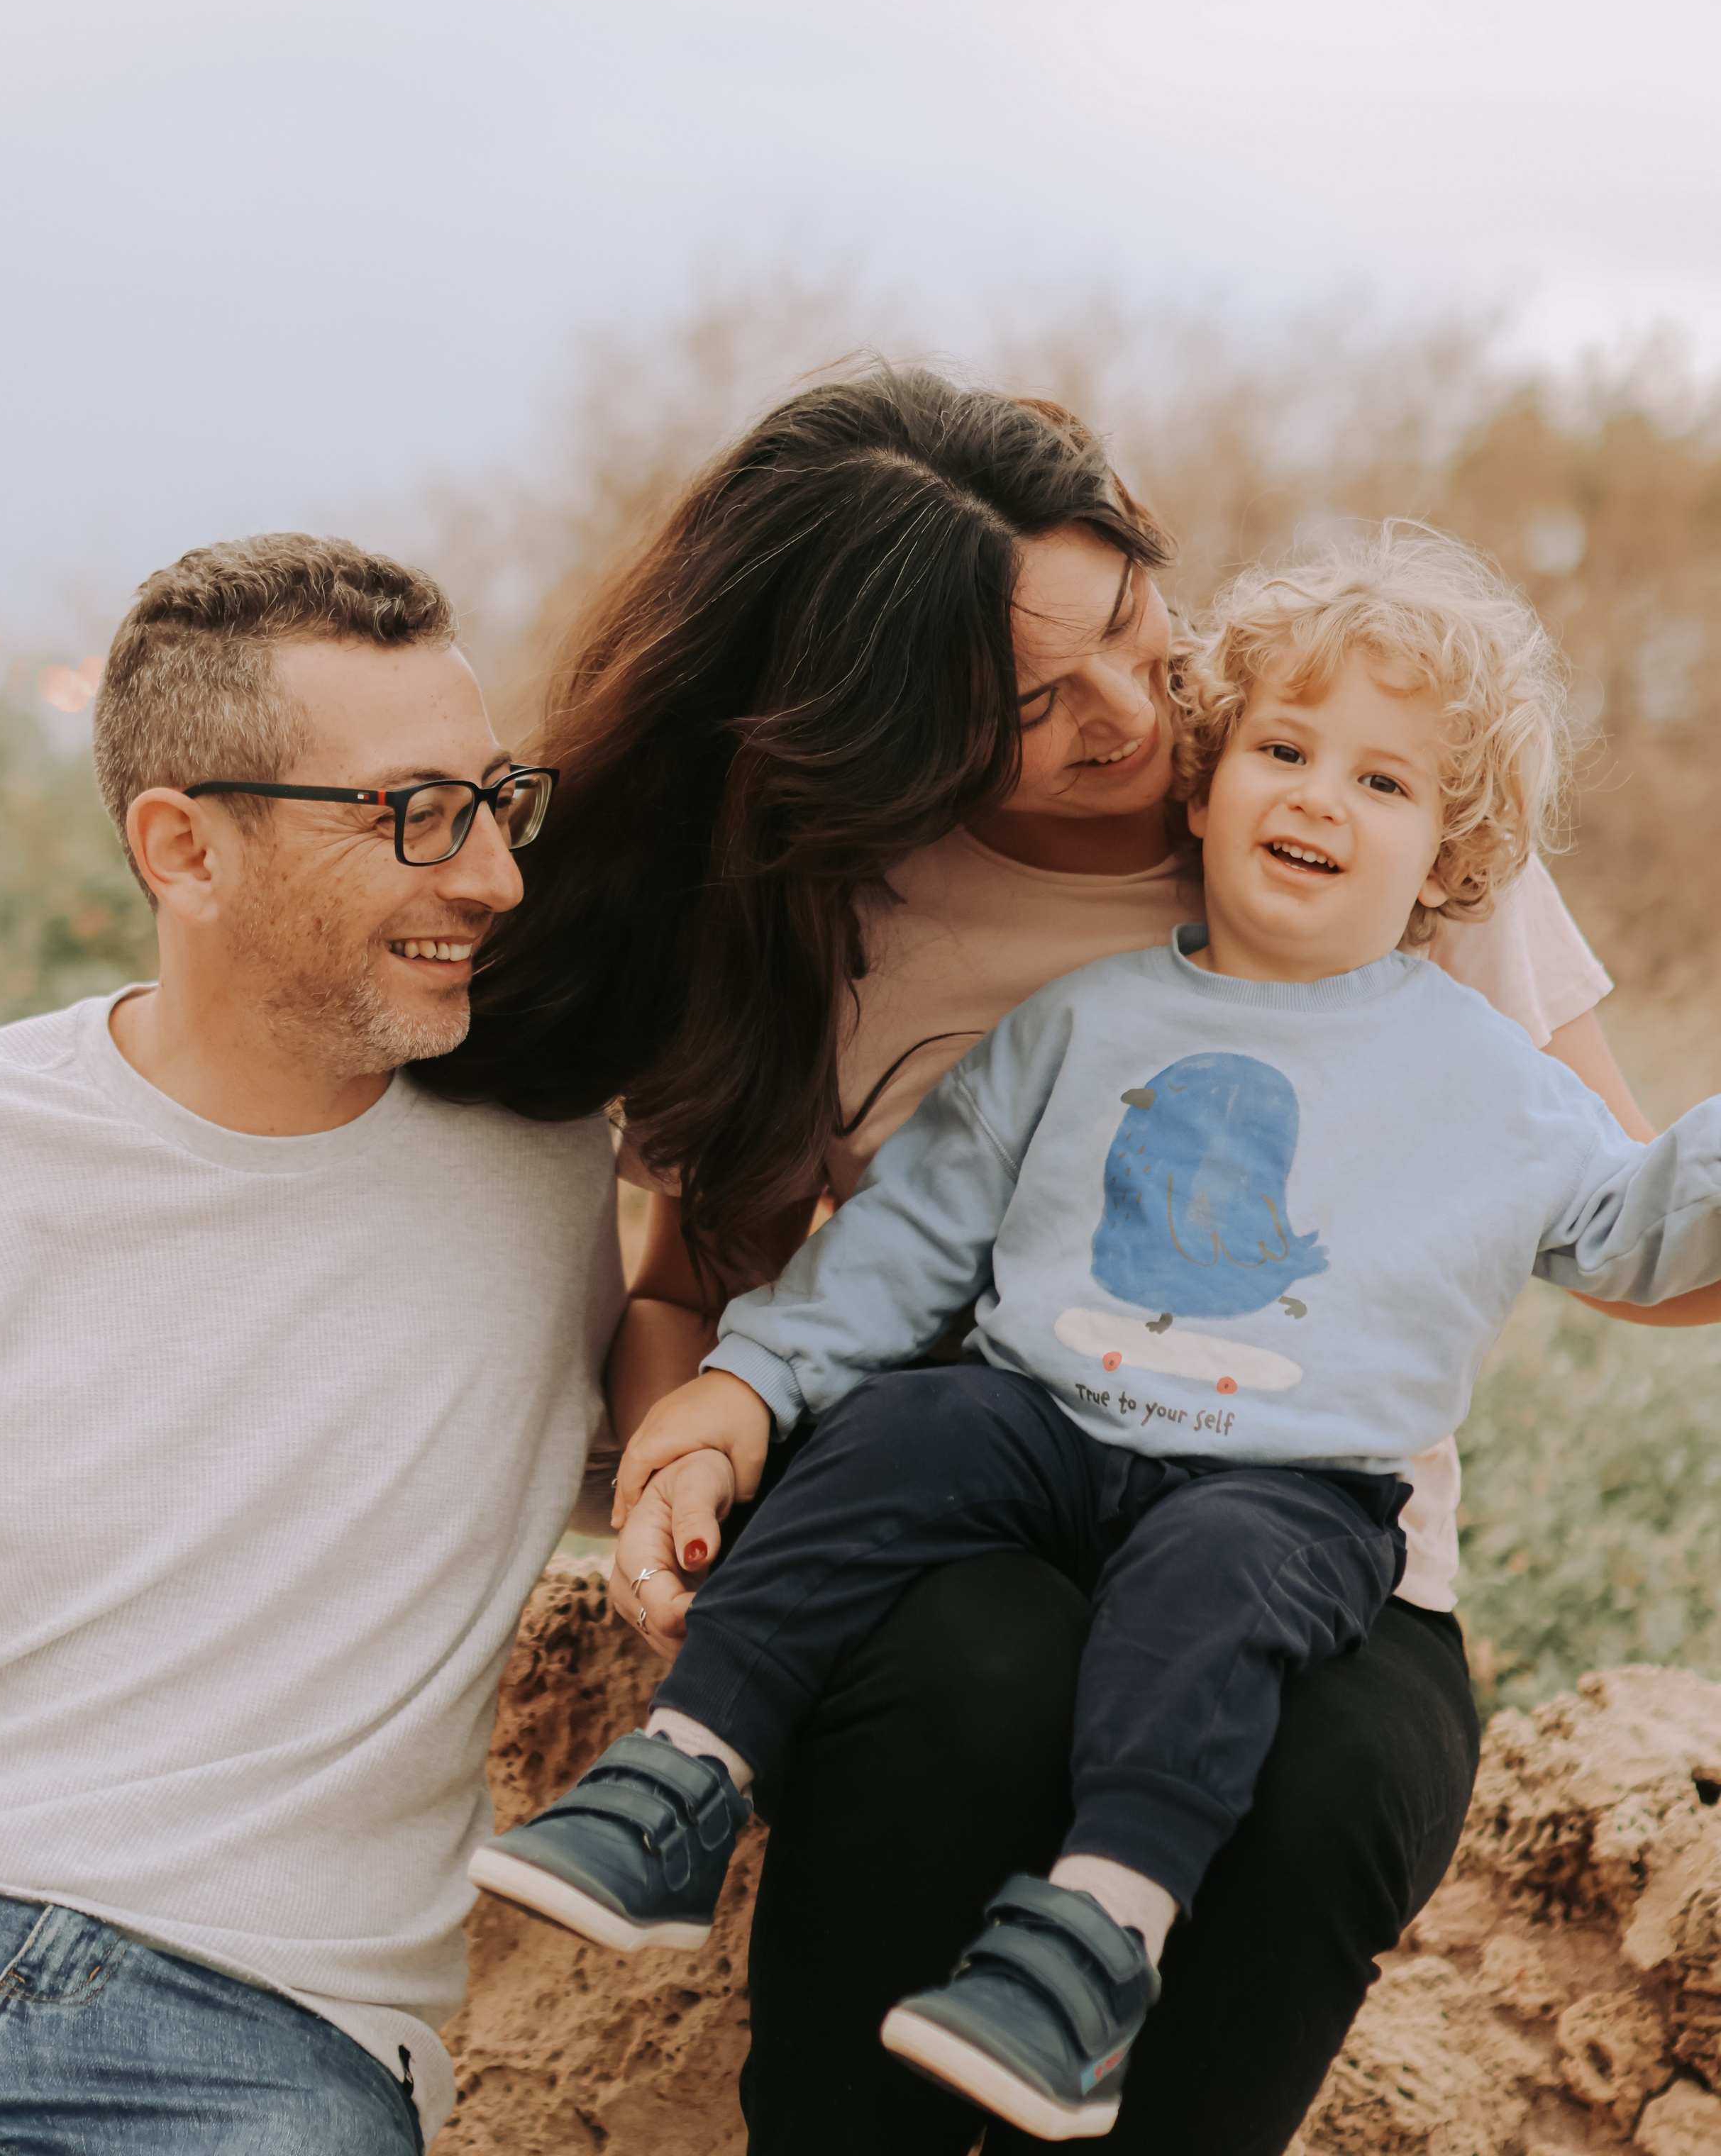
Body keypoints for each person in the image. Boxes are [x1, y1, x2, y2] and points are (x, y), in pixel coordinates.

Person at [427, 368, 1714, 2156]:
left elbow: (1639, 1237)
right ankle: (714, 1871)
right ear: (884, 726)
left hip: (1300, 1505)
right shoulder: (878, 921)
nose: (1136, 715)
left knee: (1319, 1766)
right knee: (971, 1658)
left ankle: (1092, 1989)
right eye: (1028, 702)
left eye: (1130, 621)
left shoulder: (1385, 801)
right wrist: (692, 1436)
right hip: (989, 1493)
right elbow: (742, 1277)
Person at [0, 535, 624, 2155]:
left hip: (255, 2028)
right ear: (183, 848)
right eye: (411, 814)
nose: (495, 876)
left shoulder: (548, 1168)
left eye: (495, 801)